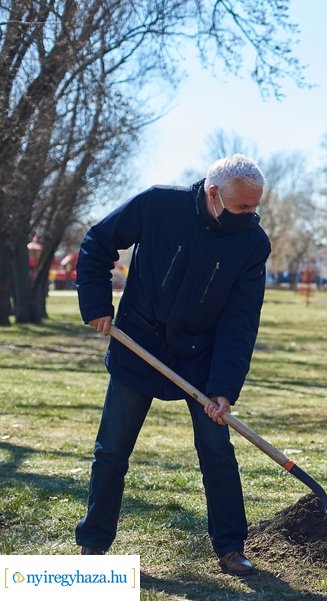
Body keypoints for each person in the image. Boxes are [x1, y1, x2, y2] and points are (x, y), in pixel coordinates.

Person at [74, 154, 271, 575]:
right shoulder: (158, 205)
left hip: (200, 358)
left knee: (217, 451)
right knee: (111, 451)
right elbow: (97, 243)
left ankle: (231, 546)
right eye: (242, 208)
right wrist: (95, 303)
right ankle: (93, 545)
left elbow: (240, 323)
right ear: (214, 194)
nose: (250, 216)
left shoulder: (253, 244)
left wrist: (223, 388)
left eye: (256, 207)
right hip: (138, 344)